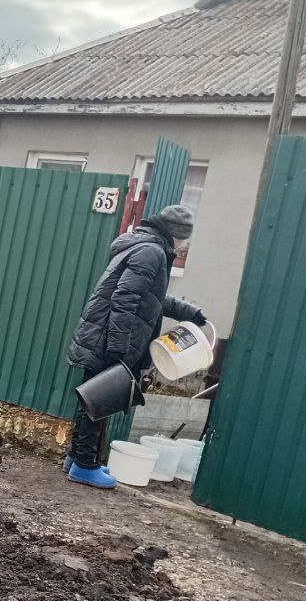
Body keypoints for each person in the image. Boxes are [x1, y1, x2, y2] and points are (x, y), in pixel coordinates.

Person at [65, 204, 206, 489]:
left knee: (92, 398)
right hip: (109, 339)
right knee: (100, 403)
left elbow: (151, 298)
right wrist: (119, 349)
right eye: (183, 240)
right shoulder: (152, 252)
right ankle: (84, 465)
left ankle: (76, 458)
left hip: (102, 335)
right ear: (175, 235)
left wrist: (189, 312)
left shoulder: (144, 246)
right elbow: (124, 298)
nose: (182, 246)